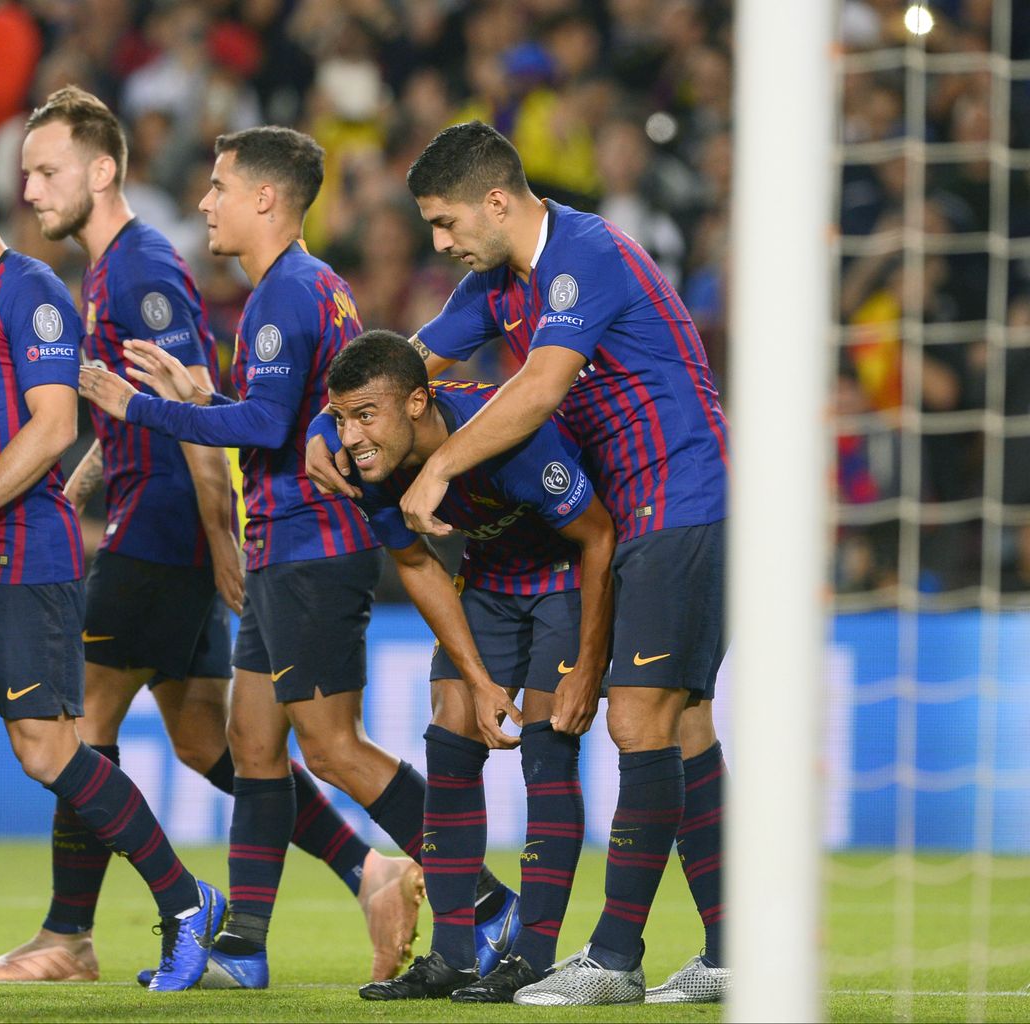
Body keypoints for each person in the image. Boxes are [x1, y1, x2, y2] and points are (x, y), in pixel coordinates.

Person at [0, 84, 418, 986]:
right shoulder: (119, 271)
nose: (30, 188)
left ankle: (71, 935)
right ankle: (354, 876)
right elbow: (177, 404)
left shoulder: (143, 270)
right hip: (194, 527)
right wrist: (86, 477)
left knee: (81, 725)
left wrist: (217, 535)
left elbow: (212, 415)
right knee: (217, 740)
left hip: (169, 535)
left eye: (46, 170)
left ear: (101, 170)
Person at [79, 126, 511, 989]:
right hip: (283, 544)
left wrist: (139, 408)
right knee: (252, 741)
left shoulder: (286, 294)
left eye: (219, 187)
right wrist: (202, 395)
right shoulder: (306, 288)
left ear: (265, 198)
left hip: (315, 546)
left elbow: (269, 425)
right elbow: (277, 417)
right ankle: (244, 948)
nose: (205, 202)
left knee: (335, 748)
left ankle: (487, 902)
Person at [312, 120, 729, 1005]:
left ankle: (612, 960)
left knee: (640, 723)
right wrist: (328, 424)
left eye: (445, 221)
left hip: (679, 491)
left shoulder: (585, 254)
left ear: (496, 201)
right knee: (682, 724)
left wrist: (441, 469)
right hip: (638, 504)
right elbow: (406, 364)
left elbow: (539, 386)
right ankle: (732, 948)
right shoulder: (498, 285)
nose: (438, 242)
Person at [0, 129, 223, 993]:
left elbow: (55, 425)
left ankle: (186, 903)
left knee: (49, 752)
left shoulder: (32, 292)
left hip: (22, 560)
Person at [306, 331, 614, 1002]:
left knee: (547, 746)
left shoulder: (513, 441)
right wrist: (477, 681)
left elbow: (597, 535)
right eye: (342, 418)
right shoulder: (372, 463)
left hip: (565, 574)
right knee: (449, 738)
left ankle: (532, 955)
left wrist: (590, 664)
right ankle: (452, 955)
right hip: (491, 576)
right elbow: (415, 563)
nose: (352, 437)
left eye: (365, 416)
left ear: (417, 403)